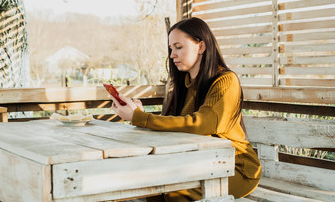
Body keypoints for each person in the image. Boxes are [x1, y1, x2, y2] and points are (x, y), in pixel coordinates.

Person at [110, 17, 261, 201]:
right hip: (199, 162)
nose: (172, 54)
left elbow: (203, 124)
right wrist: (138, 115)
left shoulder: (226, 81)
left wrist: (141, 118)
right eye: (171, 49)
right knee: (150, 187)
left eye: (178, 47)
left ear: (201, 46)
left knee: (174, 193)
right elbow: (177, 128)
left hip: (235, 167)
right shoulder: (184, 84)